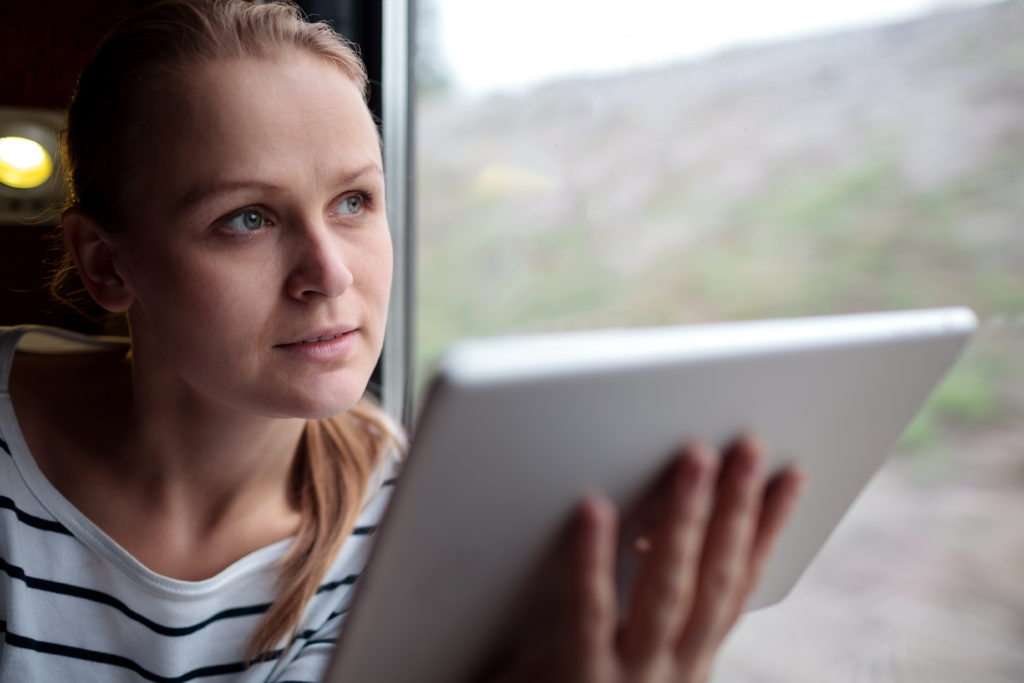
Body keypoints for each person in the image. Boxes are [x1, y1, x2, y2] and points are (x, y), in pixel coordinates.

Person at [0, 0, 803, 681]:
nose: (330, 274)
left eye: (354, 202)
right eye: (247, 218)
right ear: (107, 264)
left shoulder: (418, 537)